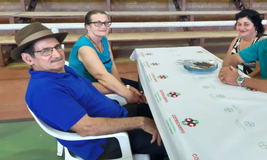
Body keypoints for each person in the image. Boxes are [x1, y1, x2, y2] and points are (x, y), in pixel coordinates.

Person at [11, 22, 166, 160]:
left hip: (117, 115)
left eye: (57, 47)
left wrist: (124, 89)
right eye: (45, 51)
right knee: (177, 136)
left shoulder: (60, 70)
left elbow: (87, 87)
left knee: (164, 111)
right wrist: (140, 122)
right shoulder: (45, 91)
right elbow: (87, 128)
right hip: (105, 141)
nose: (57, 54)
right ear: (28, 58)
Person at [69, 10, 145, 104]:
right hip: (86, 85)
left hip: (103, 79)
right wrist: (128, 94)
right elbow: (101, 76)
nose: (103, 26)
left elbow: (112, 65)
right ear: (87, 26)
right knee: (134, 98)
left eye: (106, 23)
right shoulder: (85, 48)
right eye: (97, 23)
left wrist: (124, 86)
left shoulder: (104, 40)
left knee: (139, 88)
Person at [224, 9, 267, 76]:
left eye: (246, 24)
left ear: (256, 26)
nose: (241, 28)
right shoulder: (238, 38)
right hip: (237, 77)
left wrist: (239, 80)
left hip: (252, 81)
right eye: (239, 24)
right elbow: (228, 59)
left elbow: (259, 72)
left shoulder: (262, 41)